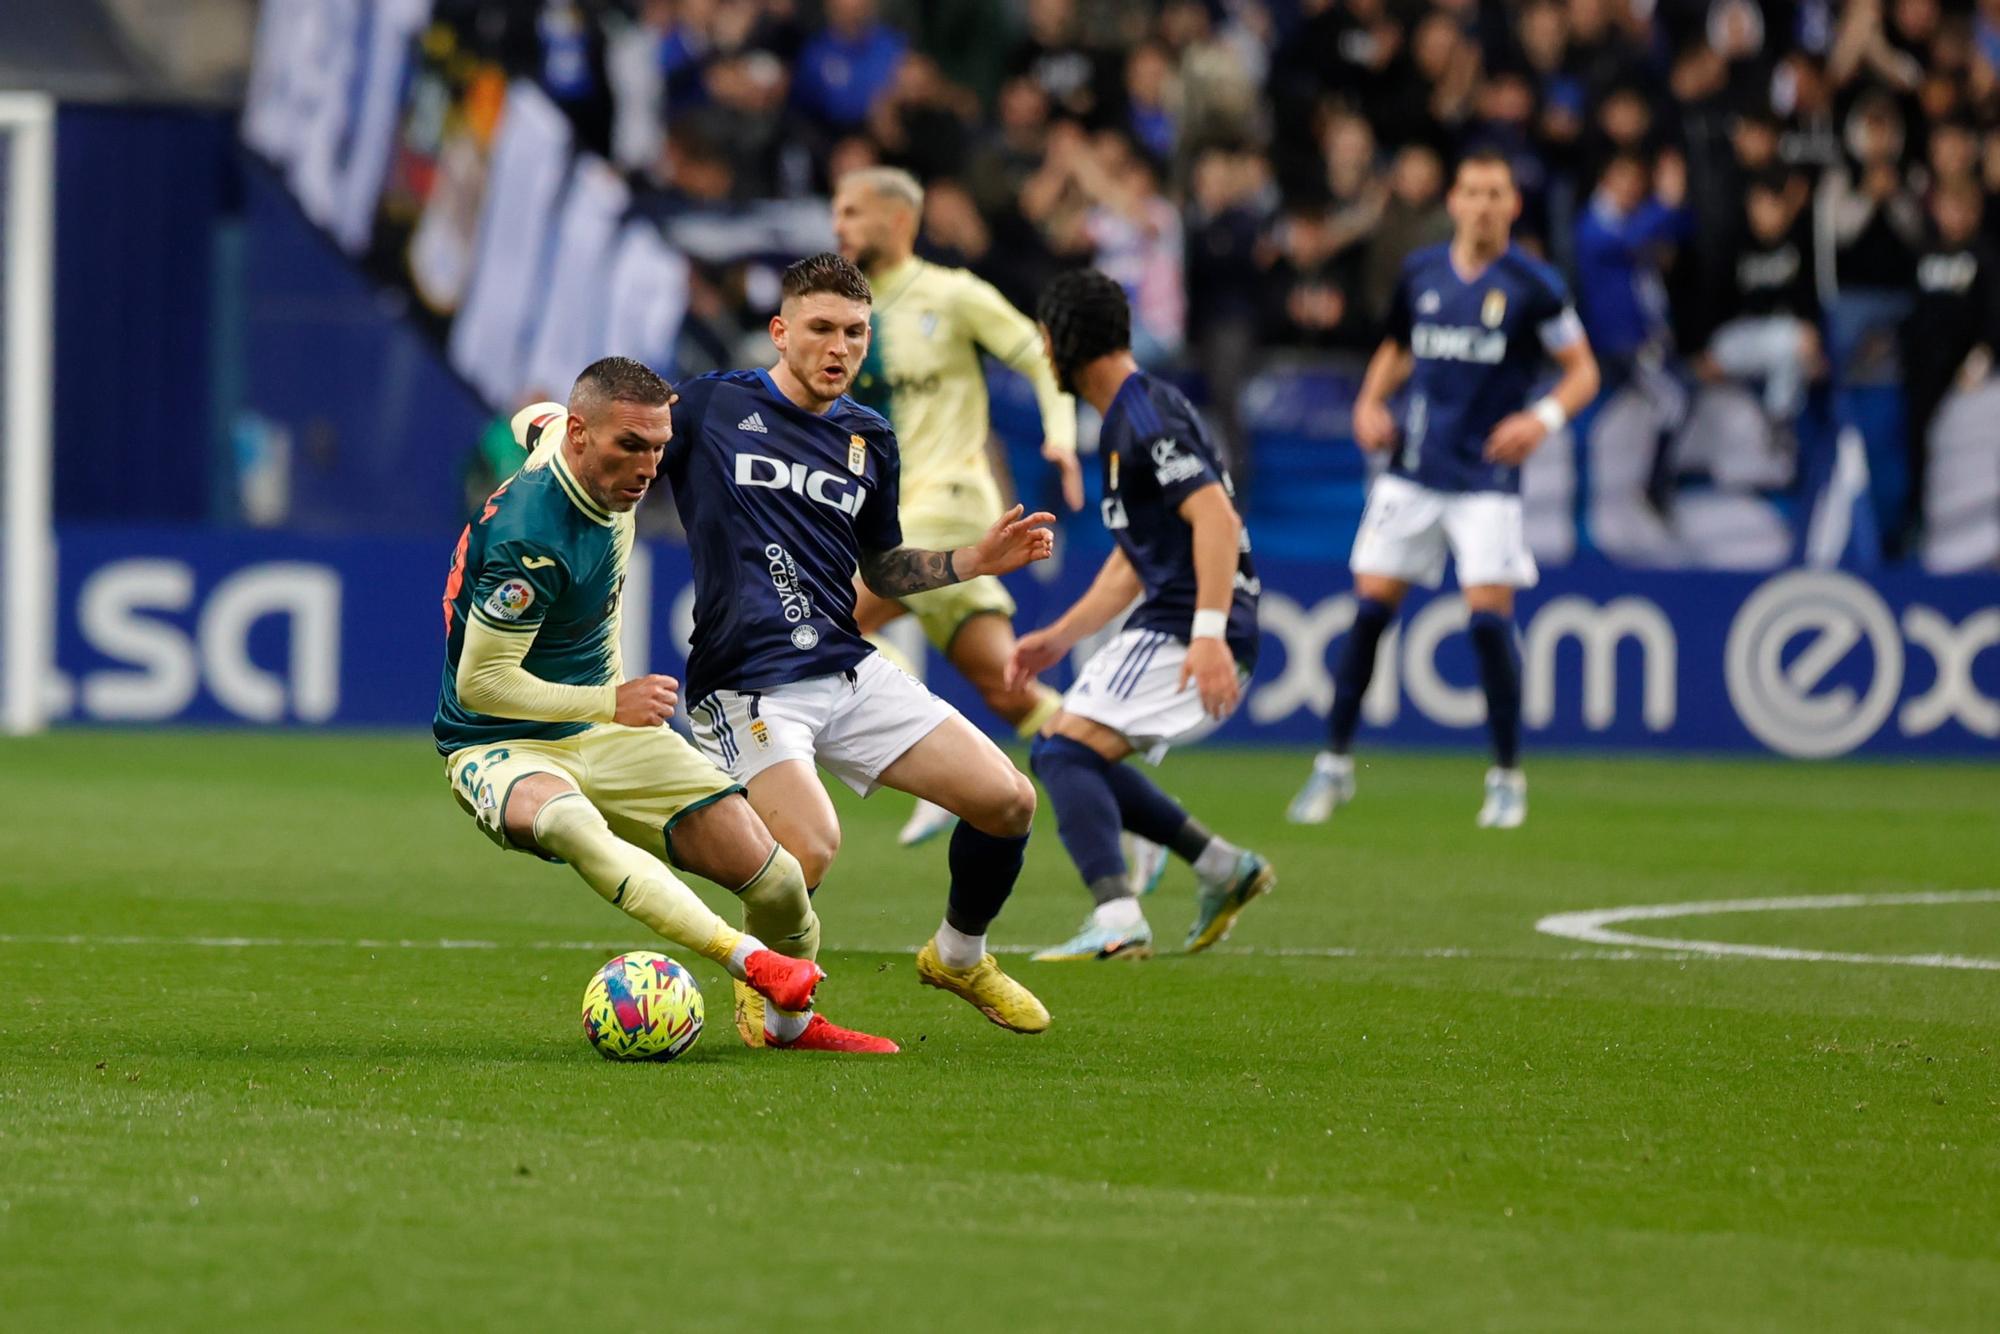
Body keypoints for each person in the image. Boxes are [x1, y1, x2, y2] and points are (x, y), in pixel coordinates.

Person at [671, 252, 1058, 1042]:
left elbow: (880, 567)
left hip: (844, 667)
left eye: (854, 332)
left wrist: (971, 563)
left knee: (1009, 801)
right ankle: (765, 982)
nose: (838, 347)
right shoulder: (713, 407)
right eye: (819, 329)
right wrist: (549, 432)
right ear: (780, 333)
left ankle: (959, 954)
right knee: (807, 848)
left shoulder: (868, 437)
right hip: (749, 682)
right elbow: (622, 432)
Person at [434, 357, 870, 1052]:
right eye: (629, 446)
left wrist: (605, 714)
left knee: (781, 880)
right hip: (499, 743)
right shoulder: (530, 540)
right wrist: (612, 700)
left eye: (659, 447)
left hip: (603, 733)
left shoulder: (560, 436)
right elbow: (479, 686)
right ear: (581, 436)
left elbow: (531, 416)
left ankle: (789, 1029)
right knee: (573, 824)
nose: (647, 467)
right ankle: (747, 961)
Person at [1286, 150, 1601, 830]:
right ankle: (1333, 767)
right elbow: (1399, 347)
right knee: (1370, 614)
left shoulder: (1535, 285)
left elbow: (1582, 372)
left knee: (1488, 619)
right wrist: (1370, 402)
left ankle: (1507, 778)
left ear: (1513, 205)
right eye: (1473, 192)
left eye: (1497, 193)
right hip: (1415, 468)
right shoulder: (1421, 271)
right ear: (1453, 202)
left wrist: (1540, 419)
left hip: (1487, 476)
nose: (1484, 205)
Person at [1009, 268, 1274, 962]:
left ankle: (1119, 913)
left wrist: (1210, 635)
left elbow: (1214, 515)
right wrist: (1060, 636)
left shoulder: (1144, 414)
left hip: (1190, 622)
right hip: (1175, 614)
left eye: (1045, 338)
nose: (1041, 353)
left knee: (1063, 748)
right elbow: (1136, 557)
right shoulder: (1130, 416)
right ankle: (1219, 866)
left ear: (1067, 339)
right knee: (1071, 747)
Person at [830, 166, 1085, 848]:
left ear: (899, 220)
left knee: (826, 621)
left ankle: (931, 760)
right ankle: (1148, 816)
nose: (839, 225)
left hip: (953, 502)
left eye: (854, 211)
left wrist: (1062, 437)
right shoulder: (846, 316)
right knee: (1007, 687)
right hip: (889, 510)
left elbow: (1040, 354)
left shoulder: (953, 293)